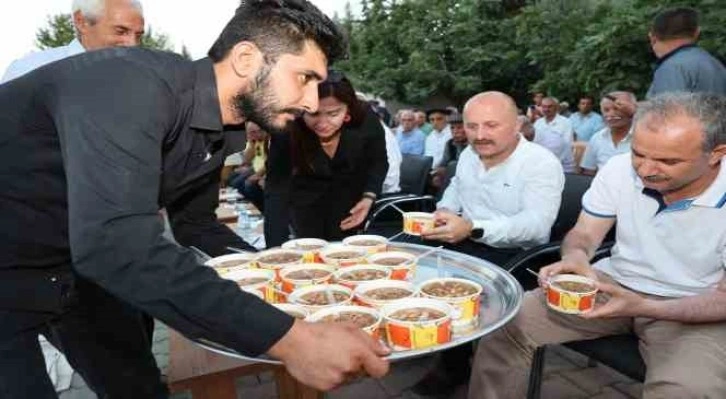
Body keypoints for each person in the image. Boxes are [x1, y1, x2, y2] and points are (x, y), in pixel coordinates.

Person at [0, 2, 390, 398]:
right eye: (304, 77)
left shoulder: (220, 133)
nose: (311, 101)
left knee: (140, 389)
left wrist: (275, 274)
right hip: (15, 265)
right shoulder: (128, 79)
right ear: (246, 58)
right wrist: (289, 339)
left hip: (71, 266)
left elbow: (196, 225)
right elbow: (116, 243)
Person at [469, 92, 726, 399]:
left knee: (689, 389)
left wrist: (645, 306)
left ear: (716, 153)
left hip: (695, 306)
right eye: (639, 154)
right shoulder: (619, 169)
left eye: (668, 161)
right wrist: (576, 257)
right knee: (506, 323)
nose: (645, 170)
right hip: (609, 286)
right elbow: (584, 234)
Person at [413, 92, 564, 396]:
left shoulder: (540, 163)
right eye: (472, 126)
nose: (480, 136)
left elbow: (535, 226)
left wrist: (473, 228)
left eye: (491, 125)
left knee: (454, 287)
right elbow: (456, 192)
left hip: (521, 255)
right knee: (411, 264)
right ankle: (436, 340)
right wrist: (443, 212)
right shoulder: (469, 155)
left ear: (516, 125)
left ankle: (454, 364)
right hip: (467, 241)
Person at [279, 70, 388, 240]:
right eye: (314, 113)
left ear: (348, 110)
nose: (323, 124)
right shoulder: (288, 123)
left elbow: (378, 162)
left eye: (333, 114)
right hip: (305, 205)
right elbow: (275, 182)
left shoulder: (366, 119)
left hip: (351, 206)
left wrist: (368, 197)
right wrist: (275, 241)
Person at [2, 0, 145, 83]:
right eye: (120, 32)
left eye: (138, 35)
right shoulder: (29, 70)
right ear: (81, 21)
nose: (132, 44)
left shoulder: (144, 81)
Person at [646, 7, 726, 98]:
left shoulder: (672, 67)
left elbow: (669, 110)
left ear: (652, 37)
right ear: (696, 32)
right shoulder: (714, 62)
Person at [580, 91, 636, 175]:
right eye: (606, 110)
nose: (611, 114)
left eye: (617, 109)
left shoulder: (644, 138)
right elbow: (588, 172)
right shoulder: (597, 138)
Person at [229, 121, 269, 212]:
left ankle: (260, 210)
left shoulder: (267, 140)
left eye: (256, 132)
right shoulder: (256, 141)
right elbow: (247, 160)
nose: (255, 134)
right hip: (255, 167)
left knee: (247, 184)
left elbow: (269, 163)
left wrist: (258, 175)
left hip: (263, 169)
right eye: (251, 132)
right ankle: (248, 204)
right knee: (233, 177)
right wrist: (251, 142)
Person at [533, 96, 576, 172]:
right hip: (539, 162)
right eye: (544, 107)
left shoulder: (566, 123)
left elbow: (567, 146)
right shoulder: (538, 123)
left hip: (560, 164)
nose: (546, 109)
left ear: (556, 108)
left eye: (550, 107)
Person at [431, 112, 467, 190]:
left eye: (459, 127)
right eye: (452, 128)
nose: (455, 131)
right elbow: (443, 163)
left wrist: (447, 170)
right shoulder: (450, 143)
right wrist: (437, 174)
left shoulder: (474, 145)